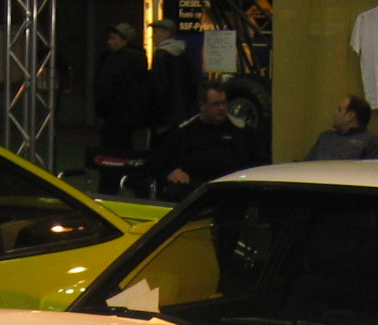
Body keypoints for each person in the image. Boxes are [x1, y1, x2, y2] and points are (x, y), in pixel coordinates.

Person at [149, 81, 261, 201]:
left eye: (224, 103)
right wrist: (170, 173)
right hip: (194, 190)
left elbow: (258, 163)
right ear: (202, 105)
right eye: (216, 104)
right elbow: (158, 163)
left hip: (232, 189)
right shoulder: (185, 132)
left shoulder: (240, 129)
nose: (221, 108)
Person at [92, 22, 149, 193]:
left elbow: (104, 89)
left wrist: (102, 110)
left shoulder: (115, 61)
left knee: (110, 159)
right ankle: (136, 186)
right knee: (125, 155)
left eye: (113, 38)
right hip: (129, 118)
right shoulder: (139, 59)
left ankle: (109, 193)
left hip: (114, 118)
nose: (109, 42)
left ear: (125, 41)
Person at [147, 17, 198, 146]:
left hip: (165, 114)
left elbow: (159, 87)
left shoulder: (161, 55)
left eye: (158, 32)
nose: (155, 36)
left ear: (167, 33)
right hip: (182, 112)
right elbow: (193, 82)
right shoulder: (183, 53)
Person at [304, 95, 378, 161]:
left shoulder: (371, 141)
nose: (334, 113)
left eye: (339, 110)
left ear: (350, 116)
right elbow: (307, 164)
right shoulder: (325, 137)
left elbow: (374, 175)